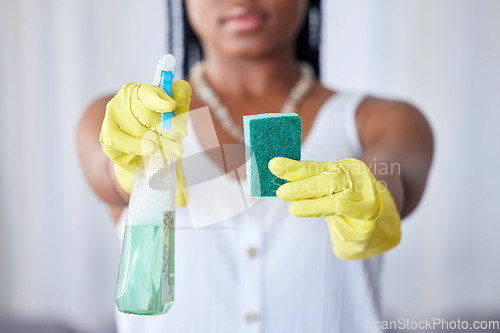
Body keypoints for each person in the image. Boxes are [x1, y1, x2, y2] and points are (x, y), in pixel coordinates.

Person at [77, 0, 433, 332]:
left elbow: (392, 172)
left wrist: (376, 194)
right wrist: (135, 168)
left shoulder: (384, 120)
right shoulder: (124, 121)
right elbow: (112, 180)